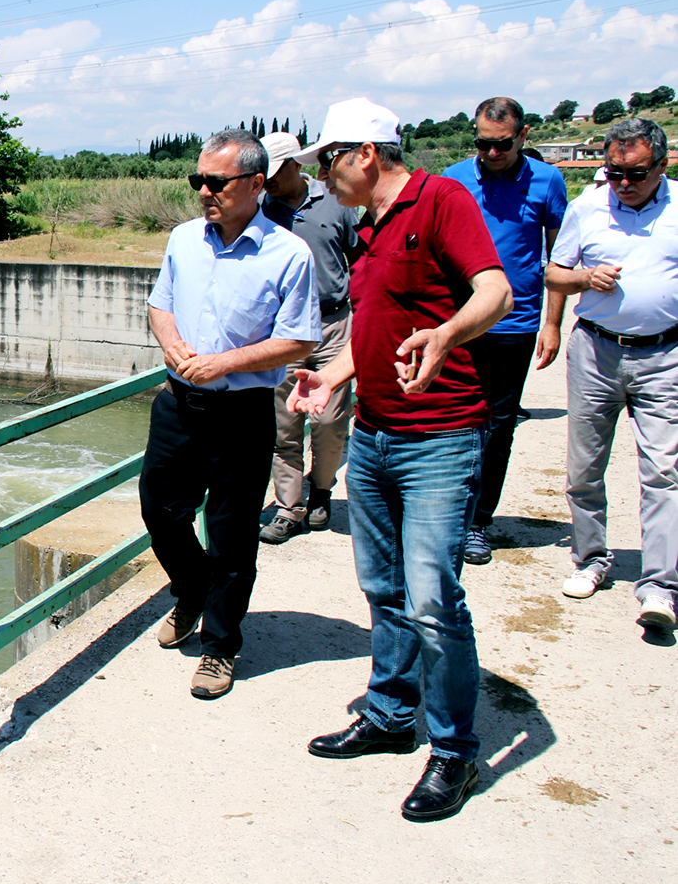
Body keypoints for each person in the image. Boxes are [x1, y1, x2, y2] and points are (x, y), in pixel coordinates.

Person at [288, 98, 512, 822]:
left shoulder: (439, 199)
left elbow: (497, 292)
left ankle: (454, 751)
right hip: (378, 435)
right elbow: (377, 325)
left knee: (432, 601)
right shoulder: (368, 227)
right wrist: (334, 377)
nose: (319, 175)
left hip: (440, 440)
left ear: (365, 154)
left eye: (326, 160)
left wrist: (447, 335)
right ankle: (390, 717)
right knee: (382, 589)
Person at [141, 128, 319, 700]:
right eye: (198, 180)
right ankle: (192, 589)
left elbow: (298, 342)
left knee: (231, 534)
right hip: (177, 404)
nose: (203, 192)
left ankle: (220, 646)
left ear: (256, 183)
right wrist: (171, 346)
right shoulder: (184, 239)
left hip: (241, 411)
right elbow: (159, 304)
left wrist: (224, 364)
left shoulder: (289, 254)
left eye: (216, 182)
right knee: (160, 510)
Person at [544, 117, 677, 632]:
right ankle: (591, 558)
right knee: (584, 466)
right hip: (597, 351)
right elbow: (554, 272)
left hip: (665, 354)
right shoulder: (587, 209)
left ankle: (661, 586)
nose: (623, 183)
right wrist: (582, 278)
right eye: (614, 172)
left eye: (636, 174)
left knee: (664, 472)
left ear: (662, 166)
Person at [443, 97, 568, 564]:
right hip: (457, 322)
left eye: (501, 145)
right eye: (483, 144)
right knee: (451, 418)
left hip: (515, 323)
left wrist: (552, 323)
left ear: (523, 136)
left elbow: (560, 258)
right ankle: (444, 513)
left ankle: (478, 522)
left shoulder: (548, 181)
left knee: (497, 426)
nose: (491, 154)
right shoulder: (452, 179)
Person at [257, 130, 360, 544]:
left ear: (296, 165)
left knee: (331, 421)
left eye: (276, 173)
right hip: (285, 328)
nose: (269, 182)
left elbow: (359, 258)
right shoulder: (261, 209)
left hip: (334, 322)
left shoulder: (336, 202)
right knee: (285, 426)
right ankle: (289, 507)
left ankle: (322, 489)